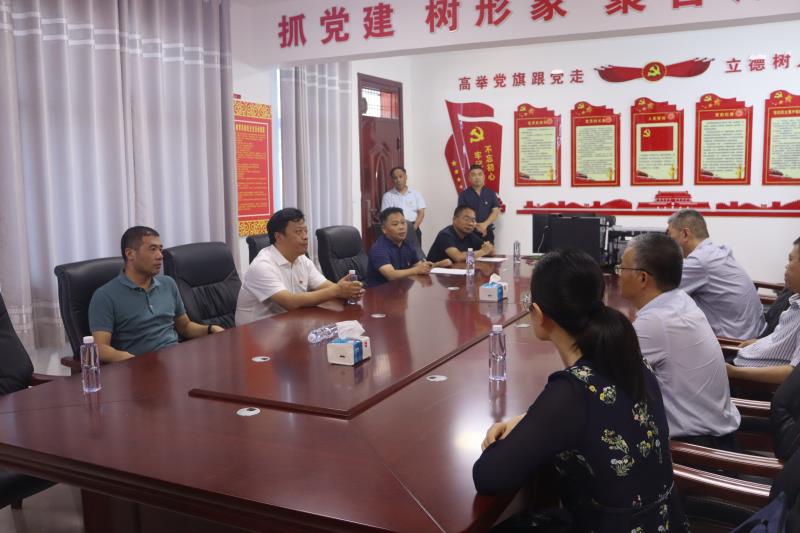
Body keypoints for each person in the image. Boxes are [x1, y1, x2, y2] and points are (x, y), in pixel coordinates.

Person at [473, 249, 686, 532]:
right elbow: (598, 412)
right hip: (664, 522)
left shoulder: (573, 392)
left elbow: (489, 476)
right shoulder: (627, 356)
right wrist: (528, 420)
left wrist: (517, 432)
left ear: (538, 313)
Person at [617, 233, 740, 448]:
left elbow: (604, 377)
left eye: (622, 267)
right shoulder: (680, 301)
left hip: (693, 450)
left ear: (643, 278)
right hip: (715, 434)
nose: (618, 273)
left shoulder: (657, 322)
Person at [89, 226, 223, 362]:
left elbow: (185, 327)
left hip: (175, 359)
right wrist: (132, 361)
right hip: (139, 366)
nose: (160, 256)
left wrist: (210, 329)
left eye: (160, 249)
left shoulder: (168, 284)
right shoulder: (105, 296)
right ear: (130, 254)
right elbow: (100, 348)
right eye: (152, 249)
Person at [235, 208, 363, 325]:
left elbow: (327, 286)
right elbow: (290, 302)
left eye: (305, 231)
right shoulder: (262, 265)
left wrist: (348, 290)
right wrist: (337, 290)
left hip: (288, 324)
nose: (305, 237)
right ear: (278, 236)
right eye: (298, 232)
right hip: (256, 332)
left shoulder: (302, 259)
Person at [666, 209, 765, 339]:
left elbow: (659, 292)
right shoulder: (715, 253)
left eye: (670, 236)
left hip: (734, 342)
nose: (668, 243)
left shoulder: (700, 261)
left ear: (685, 234)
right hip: (755, 333)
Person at [727, 237, 800, 384]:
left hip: (750, 382)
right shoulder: (795, 301)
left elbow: (793, 373)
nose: (786, 266)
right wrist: (758, 343)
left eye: (791, 259)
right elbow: (782, 342)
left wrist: (734, 372)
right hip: (743, 361)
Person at [366, 207, 451, 287]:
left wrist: (437, 264)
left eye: (403, 223)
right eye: (395, 224)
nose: (401, 227)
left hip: (400, 291)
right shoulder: (379, 249)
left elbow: (420, 266)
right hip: (379, 294)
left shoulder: (407, 244)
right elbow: (391, 275)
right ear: (384, 229)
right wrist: (417, 270)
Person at [426, 206, 494, 263]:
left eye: (473, 220)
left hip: (458, 272)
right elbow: (458, 257)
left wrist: (488, 248)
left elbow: (491, 250)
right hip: (434, 273)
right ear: (454, 219)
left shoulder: (470, 234)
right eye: (466, 219)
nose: (470, 223)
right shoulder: (445, 235)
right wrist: (483, 251)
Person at [380, 166, 426, 246]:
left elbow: (421, 213)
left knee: (416, 252)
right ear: (392, 180)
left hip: (413, 227)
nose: (398, 180)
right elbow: (385, 215)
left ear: (406, 177)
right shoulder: (387, 196)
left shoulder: (416, 193)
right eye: (395, 178)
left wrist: (414, 228)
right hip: (395, 230)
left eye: (400, 176)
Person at [457, 164, 500, 244]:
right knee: (470, 252)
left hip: (487, 231)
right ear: (469, 178)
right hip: (469, 232)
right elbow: (461, 214)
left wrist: (484, 225)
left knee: (489, 251)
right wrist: (475, 225)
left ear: (484, 177)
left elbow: (495, 211)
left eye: (479, 174)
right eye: (473, 175)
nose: (477, 177)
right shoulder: (463, 195)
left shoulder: (491, 193)